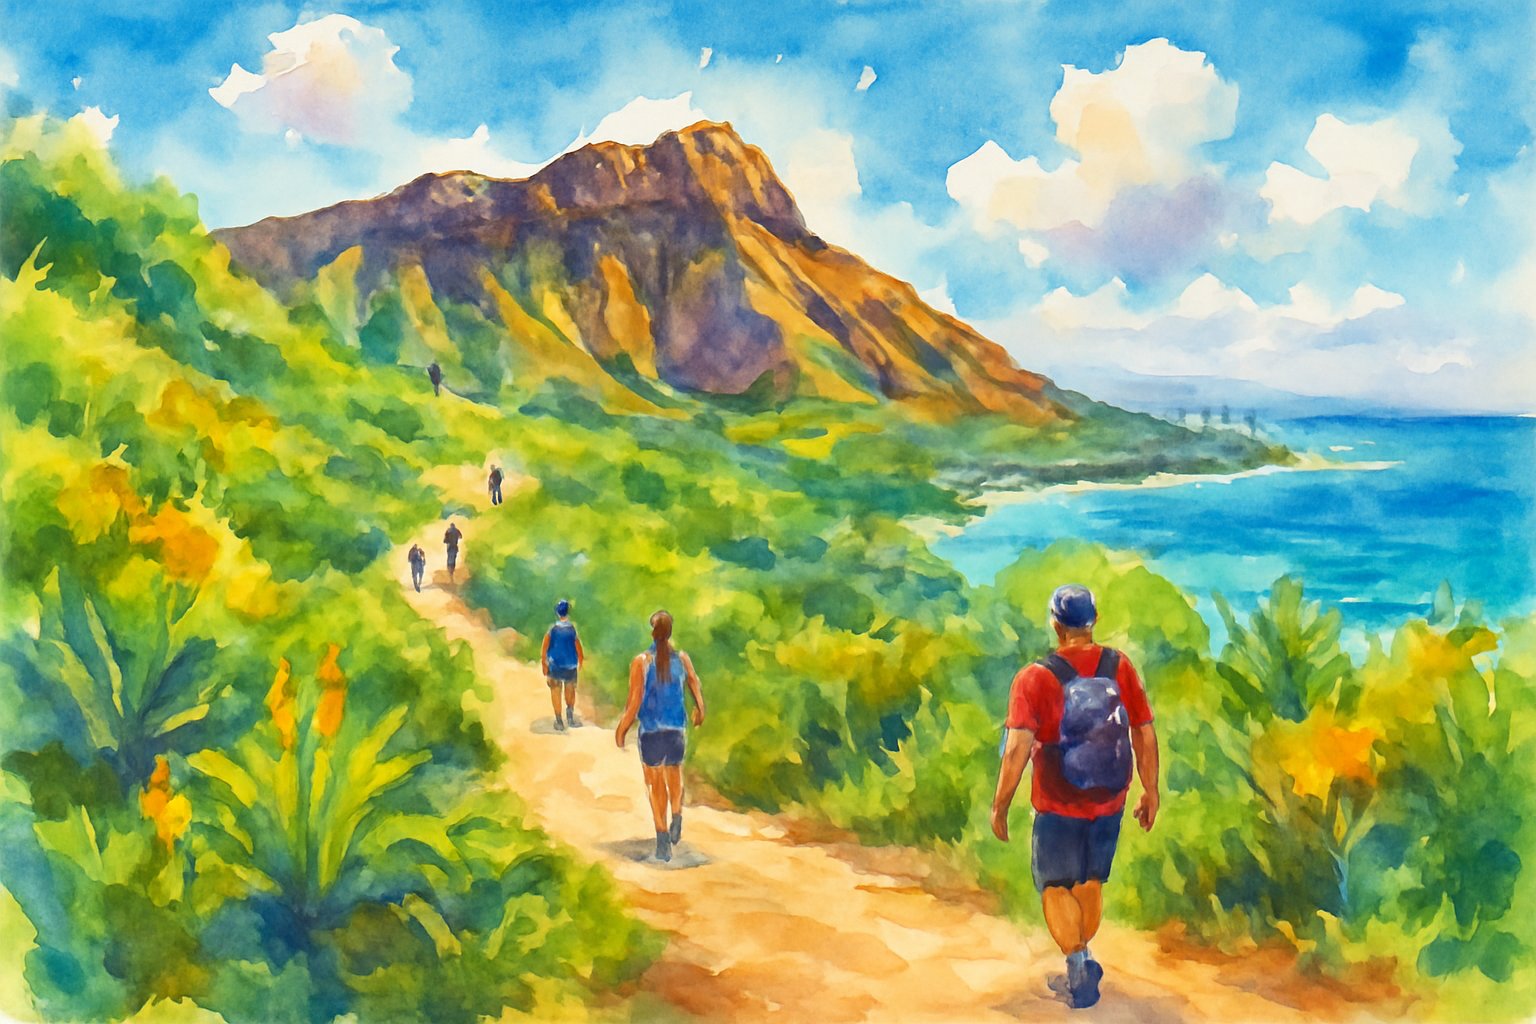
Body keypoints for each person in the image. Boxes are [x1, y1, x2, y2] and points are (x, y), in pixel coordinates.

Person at [991, 584, 1159, 1010]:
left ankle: (1077, 961)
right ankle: (1083, 958)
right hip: (1109, 800)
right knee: (1089, 880)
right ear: (1093, 620)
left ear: (1055, 623)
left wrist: (1001, 804)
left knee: (1054, 886)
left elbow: (1016, 748)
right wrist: (1150, 790)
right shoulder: (1119, 666)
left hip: (1056, 803)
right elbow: (1143, 730)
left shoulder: (1035, 677)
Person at [615, 610, 704, 862]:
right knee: (674, 774)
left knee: (655, 784)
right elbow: (694, 683)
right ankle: (676, 815)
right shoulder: (682, 658)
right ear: (670, 631)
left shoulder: (641, 661)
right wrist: (700, 707)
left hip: (651, 731)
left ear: (652, 632)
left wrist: (622, 728)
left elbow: (634, 702)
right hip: (676, 728)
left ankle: (662, 837)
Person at [541, 599, 585, 731]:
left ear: (557, 613)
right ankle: (570, 717)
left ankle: (559, 720)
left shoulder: (552, 629)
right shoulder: (572, 630)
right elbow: (578, 646)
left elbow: (545, 645)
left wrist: (544, 662)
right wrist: (581, 660)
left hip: (555, 665)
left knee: (555, 691)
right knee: (570, 691)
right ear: (568, 612)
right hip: (570, 665)